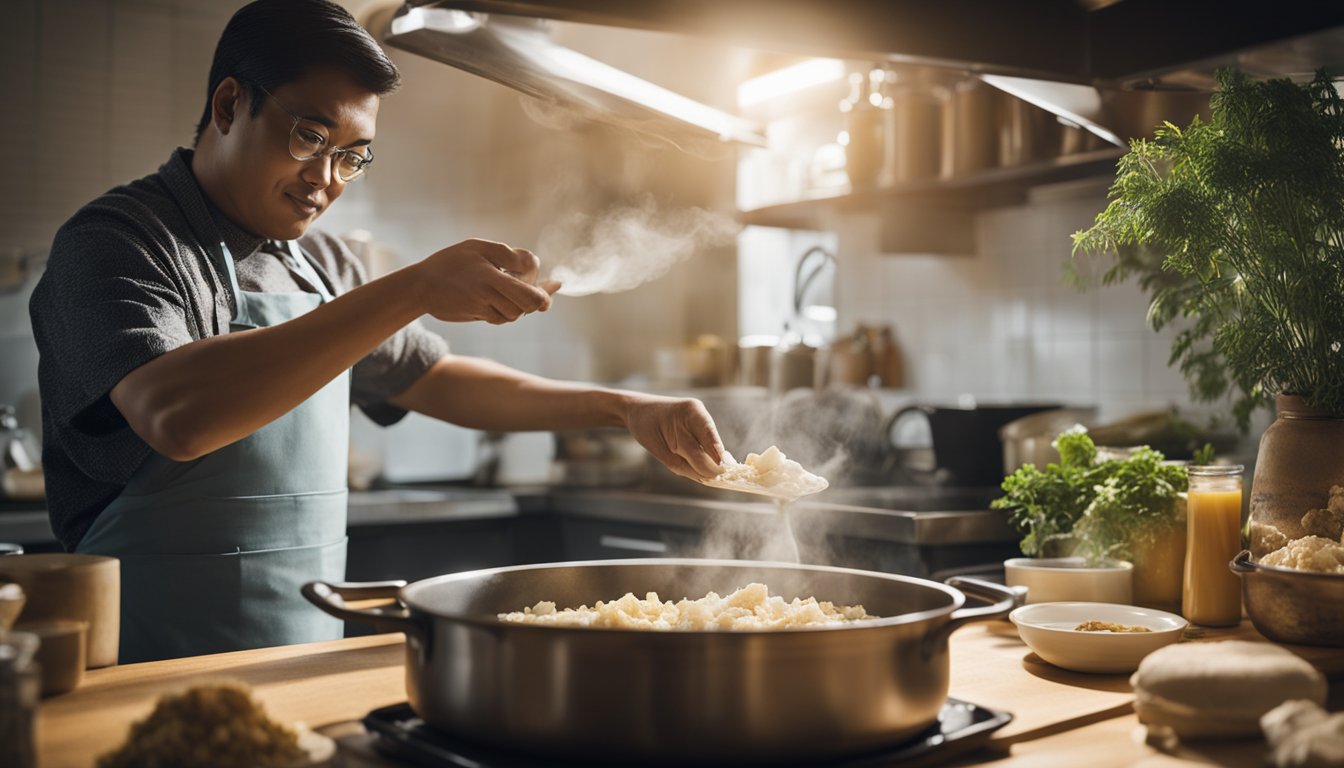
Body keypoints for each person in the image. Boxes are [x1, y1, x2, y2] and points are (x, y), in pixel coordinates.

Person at [29, 0, 725, 664]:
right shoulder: (117, 241)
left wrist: (621, 408)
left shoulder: (326, 264)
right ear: (229, 104)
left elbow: (435, 379)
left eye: (353, 156)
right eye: (310, 137)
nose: (326, 181)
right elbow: (177, 415)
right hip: (148, 660)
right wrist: (413, 287)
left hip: (302, 648)